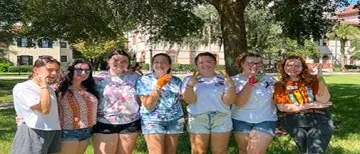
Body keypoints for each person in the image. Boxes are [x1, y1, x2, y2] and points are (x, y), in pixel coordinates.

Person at [274, 55, 333, 154]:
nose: (293, 68)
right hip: (294, 121)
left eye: (297, 66)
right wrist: (311, 105)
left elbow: (324, 99)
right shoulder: (280, 85)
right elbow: (282, 107)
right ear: (284, 67)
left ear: (303, 67)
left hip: (320, 119)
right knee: (305, 151)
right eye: (289, 65)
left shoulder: (313, 80)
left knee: (315, 151)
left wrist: (320, 78)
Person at [182, 52, 236, 154]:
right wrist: (189, 86)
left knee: (219, 151)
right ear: (197, 65)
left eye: (209, 61)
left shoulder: (224, 79)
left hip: (221, 117)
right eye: (201, 62)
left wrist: (231, 86)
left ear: (215, 63)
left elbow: (228, 101)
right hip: (198, 117)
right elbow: (189, 101)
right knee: (198, 151)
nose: (205, 65)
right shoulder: (189, 79)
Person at [92, 50, 141, 154]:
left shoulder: (135, 77)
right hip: (104, 121)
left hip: (130, 122)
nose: (120, 63)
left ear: (128, 63)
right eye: (116, 60)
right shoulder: (97, 79)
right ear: (108, 61)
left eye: (124, 61)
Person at [11, 56, 62, 154]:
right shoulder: (24, 87)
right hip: (33, 130)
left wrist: (45, 87)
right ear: (35, 70)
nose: (54, 73)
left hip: (53, 130)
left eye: (57, 70)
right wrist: (43, 87)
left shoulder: (49, 89)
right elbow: (44, 110)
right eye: (49, 70)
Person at [136, 53, 184, 154]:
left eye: (163, 62)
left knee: (170, 152)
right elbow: (148, 105)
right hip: (152, 120)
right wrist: (158, 86)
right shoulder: (144, 80)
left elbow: (181, 100)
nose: (159, 65)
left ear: (169, 65)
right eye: (156, 62)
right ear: (152, 65)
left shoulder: (176, 81)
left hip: (175, 120)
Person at [231, 53, 277, 154]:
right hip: (240, 119)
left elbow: (277, 99)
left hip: (266, 119)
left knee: (255, 151)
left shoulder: (270, 79)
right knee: (243, 150)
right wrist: (251, 82)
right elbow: (239, 102)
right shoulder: (234, 80)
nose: (255, 66)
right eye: (250, 63)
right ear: (242, 64)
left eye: (258, 63)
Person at [56, 59, 99, 154]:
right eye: (79, 70)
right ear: (71, 70)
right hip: (68, 130)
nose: (83, 73)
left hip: (87, 131)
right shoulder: (59, 87)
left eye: (87, 71)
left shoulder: (90, 88)